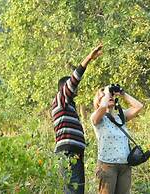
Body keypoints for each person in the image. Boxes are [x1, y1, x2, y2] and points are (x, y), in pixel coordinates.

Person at [51, 44, 103, 194]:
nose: (76, 90)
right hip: (67, 153)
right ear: (64, 88)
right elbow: (74, 79)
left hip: (76, 153)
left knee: (77, 191)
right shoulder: (60, 99)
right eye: (72, 88)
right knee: (71, 191)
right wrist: (88, 59)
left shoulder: (69, 107)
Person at [91, 85, 143, 194]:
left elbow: (139, 106)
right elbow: (102, 107)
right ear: (99, 101)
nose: (109, 97)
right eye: (104, 96)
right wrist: (106, 92)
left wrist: (123, 93)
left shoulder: (120, 116)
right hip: (107, 166)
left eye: (111, 96)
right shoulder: (97, 118)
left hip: (125, 166)